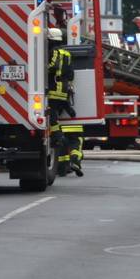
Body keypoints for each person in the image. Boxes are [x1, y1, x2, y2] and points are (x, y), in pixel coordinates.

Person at [47, 28, 82, 177]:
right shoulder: (67, 54)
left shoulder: (54, 52)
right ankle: (69, 161)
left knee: (52, 117)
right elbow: (71, 74)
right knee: (57, 114)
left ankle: (58, 136)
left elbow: (52, 66)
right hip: (63, 91)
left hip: (53, 90)